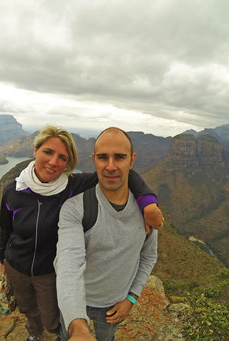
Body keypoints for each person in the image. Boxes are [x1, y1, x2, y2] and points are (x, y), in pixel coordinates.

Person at [0, 125, 163, 341]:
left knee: (53, 318)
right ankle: (34, 333)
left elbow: (118, 175)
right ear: (35, 151)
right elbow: (6, 228)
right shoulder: (14, 190)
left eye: (62, 157)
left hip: (47, 271)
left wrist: (147, 202)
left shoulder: (71, 187)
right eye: (48, 152)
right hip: (17, 266)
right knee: (28, 307)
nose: (54, 162)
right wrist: (2, 258)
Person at [54, 127, 159, 341]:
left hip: (114, 304)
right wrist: (77, 325)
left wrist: (131, 298)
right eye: (103, 157)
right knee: (66, 336)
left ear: (132, 160)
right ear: (94, 160)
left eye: (119, 157)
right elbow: (68, 262)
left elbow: (148, 256)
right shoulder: (75, 208)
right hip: (76, 298)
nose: (110, 166)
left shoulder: (146, 212)